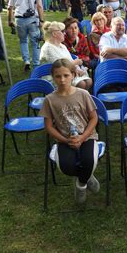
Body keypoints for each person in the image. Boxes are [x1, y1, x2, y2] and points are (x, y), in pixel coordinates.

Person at [39, 58, 99, 204]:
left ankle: (81, 184)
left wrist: (83, 137)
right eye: (58, 76)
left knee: (88, 161)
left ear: (73, 75)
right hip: (64, 139)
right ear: (53, 77)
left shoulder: (83, 94)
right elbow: (49, 126)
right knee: (66, 167)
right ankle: (87, 176)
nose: (62, 80)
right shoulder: (49, 100)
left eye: (66, 75)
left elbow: (93, 118)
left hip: (87, 137)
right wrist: (66, 140)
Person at [40, 21, 92, 90]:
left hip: (67, 72)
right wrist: (76, 63)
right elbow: (60, 67)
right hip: (56, 77)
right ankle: (70, 99)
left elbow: (69, 60)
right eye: (62, 31)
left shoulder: (61, 45)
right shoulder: (48, 48)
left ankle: (78, 98)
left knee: (89, 81)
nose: (64, 33)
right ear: (54, 34)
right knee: (81, 84)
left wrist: (78, 69)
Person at [8, 0, 44, 70]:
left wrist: (9, 20)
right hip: (32, 19)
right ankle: (36, 64)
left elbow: (10, 7)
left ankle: (26, 60)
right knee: (35, 42)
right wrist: (42, 20)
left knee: (23, 41)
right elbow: (39, 6)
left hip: (19, 19)